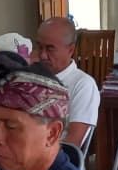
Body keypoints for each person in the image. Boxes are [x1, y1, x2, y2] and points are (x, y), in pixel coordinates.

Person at [34, 16, 99, 148]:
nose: (42, 55)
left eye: (50, 49)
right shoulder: (32, 79)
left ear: (71, 50)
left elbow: (72, 145)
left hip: (53, 162)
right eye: (39, 47)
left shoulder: (83, 85)